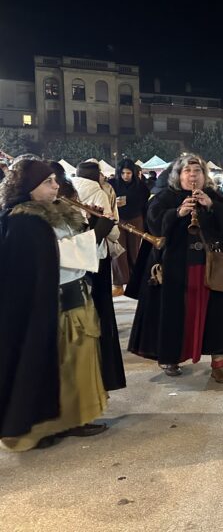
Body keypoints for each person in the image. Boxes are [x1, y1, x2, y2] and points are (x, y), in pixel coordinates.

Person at [0, 160, 113, 451]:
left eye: (55, 180)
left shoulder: (60, 213)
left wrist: (90, 228)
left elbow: (80, 250)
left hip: (77, 296)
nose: (56, 186)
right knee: (55, 366)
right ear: (29, 188)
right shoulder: (23, 220)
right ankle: (43, 426)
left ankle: (75, 418)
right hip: (52, 304)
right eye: (48, 182)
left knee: (79, 362)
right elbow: (55, 254)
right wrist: (97, 233)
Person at [127, 154, 223, 383]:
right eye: (187, 171)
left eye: (197, 171)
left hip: (210, 266)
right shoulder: (165, 197)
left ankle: (218, 363)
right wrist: (177, 213)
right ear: (178, 175)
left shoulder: (212, 195)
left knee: (214, 315)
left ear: (204, 175)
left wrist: (211, 206)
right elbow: (153, 223)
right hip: (177, 268)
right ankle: (172, 357)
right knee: (177, 313)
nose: (192, 175)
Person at [72, 161, 127, 392]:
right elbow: (112, 229)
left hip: (78, 263)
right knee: (101, 312)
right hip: (95, 257)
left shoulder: (70, 189)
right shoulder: (98, 192)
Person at [109, 159, 151, 296]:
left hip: (135, 218)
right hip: (118, 219)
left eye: (129, 173)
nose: (126, 176)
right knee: (119, 251)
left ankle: (135, 283)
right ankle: (119, 283)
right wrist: (116, 204)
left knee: (134, 251)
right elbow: (107, 201)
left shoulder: (141, 186)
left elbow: (145, 203)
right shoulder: (112, 184)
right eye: (123, 173)